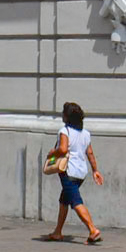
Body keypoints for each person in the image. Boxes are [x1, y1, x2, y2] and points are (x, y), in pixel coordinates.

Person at [41, 101, 103, 244]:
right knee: (64, 199)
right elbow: (90, 153)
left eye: (63, 113)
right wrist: (95, 170)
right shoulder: (85, 134)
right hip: (81, 172)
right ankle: (57, 232)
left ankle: (93, 230)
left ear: (67, 117)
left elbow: (62, 149)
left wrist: (52, 153)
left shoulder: (65, 131)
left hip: (68, 171)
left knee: (75, 201)